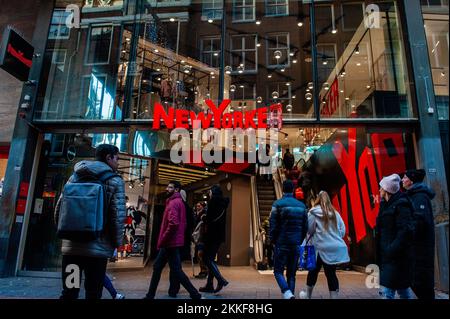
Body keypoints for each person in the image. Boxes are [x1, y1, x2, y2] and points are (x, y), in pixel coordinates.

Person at [54, 144, 126, 299]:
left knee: (69, 290)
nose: (118, 163)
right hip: (97, 251)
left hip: (72, 248)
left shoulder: (74, 176)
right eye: (117, 159)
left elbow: (59, 209)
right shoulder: (115, 181)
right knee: (93, 291)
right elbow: (117, 217)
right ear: (108, 158)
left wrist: (66, 234)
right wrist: (116, 243)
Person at [144, 181, 201, 299]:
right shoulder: (179, 202)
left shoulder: (173, 203)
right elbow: (183, 224)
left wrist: (164, 239)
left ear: (176, 190)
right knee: (165, 268)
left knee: (169, 269)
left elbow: (174, 223)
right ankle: (194, 294)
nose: (166, 189)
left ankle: (194, 293)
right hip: (173, 242)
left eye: (170, 187)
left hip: (169, 242)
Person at [300, 191, 349, 299]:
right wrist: (333, 237)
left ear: (317, 199)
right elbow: (342, 231)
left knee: (313, 272)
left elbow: (309, 230)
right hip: (333, 248)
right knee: (331, 274)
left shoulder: (313, 212)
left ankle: (308, 295)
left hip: (319, 248)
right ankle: (334, 297)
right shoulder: (335, 213)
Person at [376, 174, 414, 299]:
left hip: (396, 256)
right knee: (402, 290)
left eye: (381, 187)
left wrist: (390, 249)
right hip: (388, 257)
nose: (379, 190)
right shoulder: (384, 205)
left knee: (388, 292)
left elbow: (405, 231)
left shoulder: (401, 205)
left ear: (387, 190)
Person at [269, 180, 308, 299]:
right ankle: (289, 294)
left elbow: (273, 224)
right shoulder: (302, 206)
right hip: (295, 243)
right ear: (293, 189)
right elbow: (305, 227)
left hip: (282, 242)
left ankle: (286, 292)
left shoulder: (277, 204)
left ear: (282, 189)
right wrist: (299, 240)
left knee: (278, 271)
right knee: (292, 274)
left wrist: (273, 240)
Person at [402, 169, 436, 300]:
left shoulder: (419, 197)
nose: (402, 180)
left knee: (422, 283)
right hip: (416, 249)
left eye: (404, 177)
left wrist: (406, 236)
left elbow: (419, 221)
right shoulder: (413, 195)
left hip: (421, 249)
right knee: (418, 282)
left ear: (411, 181)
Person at [199, 185, 229, 294]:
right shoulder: (223, 203)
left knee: (207, 259)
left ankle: (220, 280)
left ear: (213, 192)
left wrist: (203, 217)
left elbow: (209, 219)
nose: (209, 193)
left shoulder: (213, 202)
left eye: (210, 191)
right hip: (219, 235)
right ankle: (209, 285)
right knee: (211, 258)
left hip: (211, 235)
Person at [167, 189, 196, 297]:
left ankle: (175, 289)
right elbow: (191, 223)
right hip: (184, 240)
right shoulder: (187, 207)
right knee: (176, 265)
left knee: (175, 267)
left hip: (175, 240)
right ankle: (175, 288)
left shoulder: (176, 204)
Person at [193, 202, 208, 278]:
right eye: (197, 206)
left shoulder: (203, 214)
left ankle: (204, 271)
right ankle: (202, 270)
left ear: (203, 206)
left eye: (199, 206)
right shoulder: (196, 214)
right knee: (199, 255)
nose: (197, 207)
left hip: (202, 237)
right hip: (198, 237)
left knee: (200, 254)